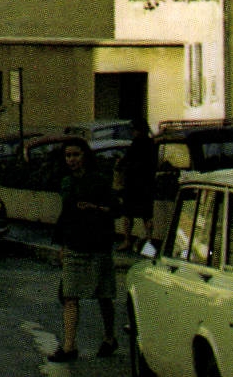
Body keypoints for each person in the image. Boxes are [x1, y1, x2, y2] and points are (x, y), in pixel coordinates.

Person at [50, 139, 118, 362]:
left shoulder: (99, 181)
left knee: (103, 295)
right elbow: (65, 215)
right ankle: (69, 346)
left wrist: (94, 208)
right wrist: (61, 246)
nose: (72, 160)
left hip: (98, 245)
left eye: (76, 155)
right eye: (68, 156)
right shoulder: (66, 183)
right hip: (74, 244)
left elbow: (115, 209)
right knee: (70, 295)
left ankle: (110, 337)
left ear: (85, 156)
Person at [117, 122, 157, 253]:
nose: (132, 132)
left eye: (133, 130)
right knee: (147, 215)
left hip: (133, 185)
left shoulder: (136, 144)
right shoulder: (152, 144)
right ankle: (150, 242)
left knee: (128, 215)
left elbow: (125, 162)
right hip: (147, 186)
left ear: (138, 130)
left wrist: (121, 166)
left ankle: (127, 240)